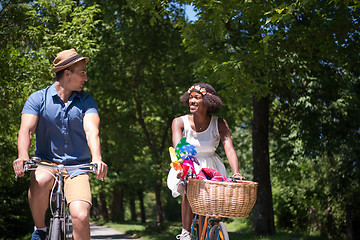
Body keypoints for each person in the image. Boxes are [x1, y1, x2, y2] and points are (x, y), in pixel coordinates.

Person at [12, 49, 108, 240]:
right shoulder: (38, 99)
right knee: (39, 181)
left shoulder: (86, 101)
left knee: (80, 216)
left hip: (77, 167)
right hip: (46, 162)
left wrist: (97, 157)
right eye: (82, 73)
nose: (86, 78)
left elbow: (91, 130)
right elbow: (26, 130)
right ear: (67, 74)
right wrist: (23, 155)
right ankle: (40, 230)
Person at [169, 83, 246, 240]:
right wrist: (183, 168)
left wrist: (237, 172)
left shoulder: (219, 123)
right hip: (187, 163)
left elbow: (229, 149)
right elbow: (178, 147)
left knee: (216, 202)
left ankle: (215, 228)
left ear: (208, 101)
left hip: (212, 166)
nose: (192, 101)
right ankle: (186, 233)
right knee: (189, 190)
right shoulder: (179, 122)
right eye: (190, 98)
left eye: (197, 98)